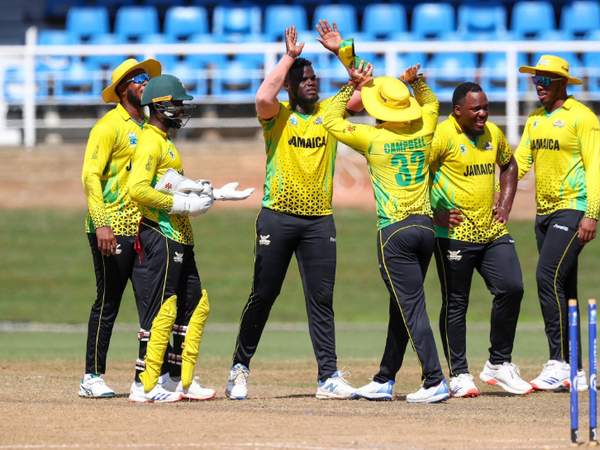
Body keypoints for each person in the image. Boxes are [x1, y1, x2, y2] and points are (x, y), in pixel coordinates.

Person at [225, 23, 364, 401]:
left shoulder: (331, 112)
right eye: (303, 79)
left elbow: (366, 89)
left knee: (321, 299)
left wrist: (342, 51)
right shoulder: (277, 115)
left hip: (319, 221)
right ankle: (239, 368)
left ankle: (328, 377)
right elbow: (262, 95)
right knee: (264, 294)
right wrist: (289, 57)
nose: (311, 82)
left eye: (314, 77)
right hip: (278, 216)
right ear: (289, 84)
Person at [323, 63, 450, 403]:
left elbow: (330, 119)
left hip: (394, 232)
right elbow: (432, 103)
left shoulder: (373, 138)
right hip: (425, 228)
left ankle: (434, 379)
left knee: (411, 307)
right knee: (402, 305)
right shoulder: (424, 129)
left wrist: (350, 87)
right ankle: (385, 378)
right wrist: (416, 81)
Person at [127, 74, 253, 402]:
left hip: (180, 235)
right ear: (159, 106)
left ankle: (178, 379)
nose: (182, 109)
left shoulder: (165, 143)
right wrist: (182, 205)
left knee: (193, 304)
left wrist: (214, 193)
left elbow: (170, 183)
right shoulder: (150, 142)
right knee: (162, 309)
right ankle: (144, 385)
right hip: (161, 234)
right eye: (177, 103)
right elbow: (137, 189)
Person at [429, 82, 532, 398]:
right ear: (457, 110)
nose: (483, 114)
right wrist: (434, 213)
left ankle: (498, 364)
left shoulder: (493, 134)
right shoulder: (442, 136)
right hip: (454, 235)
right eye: (476, 109)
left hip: (491, 231)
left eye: (485, 107)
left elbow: (509, 164)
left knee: (512, 288)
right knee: (456, 302)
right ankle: (459, 373)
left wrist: (505, 203)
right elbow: (417, 173)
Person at [516, 55, 600, 391]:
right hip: (544, 213)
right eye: (535, 80)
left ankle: (559, 362)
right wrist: (494, 190)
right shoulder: (535, 119)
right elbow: (521, 162)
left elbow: (593, 168)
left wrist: (591, 213)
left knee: (546, 276)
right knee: (564, 287)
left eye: (545, 80)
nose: (539, 86)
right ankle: (575, 370)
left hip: (573, 208)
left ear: (562, 83)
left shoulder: (583, 117)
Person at [79, 58, 160, 398]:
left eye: (146, 77)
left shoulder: (149, 125)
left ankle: (147, 379)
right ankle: (92, 376)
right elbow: (90, 177)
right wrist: (102, 224)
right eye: (139, 78)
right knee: (109, 301)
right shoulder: (108, 126)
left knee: (152, 303)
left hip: (144, 227)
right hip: (111, 226)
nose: (145, 83)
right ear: (123, 87)